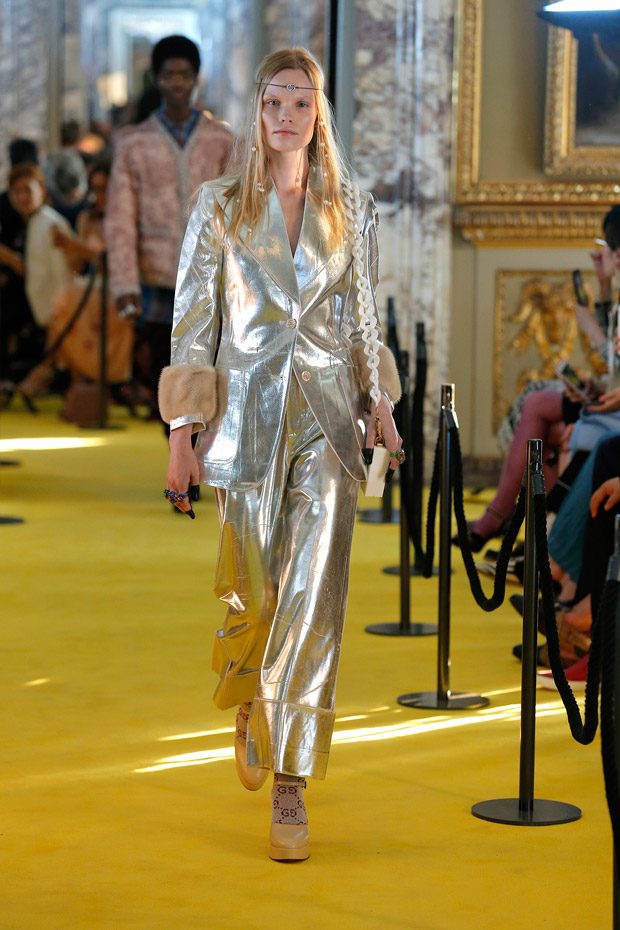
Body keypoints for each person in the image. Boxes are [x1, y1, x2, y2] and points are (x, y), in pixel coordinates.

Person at [158, 47, 404, 862]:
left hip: (328, 422)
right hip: (243, 420)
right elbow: (194, 322)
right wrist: (181, 434)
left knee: (313, 599)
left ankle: (292, 780)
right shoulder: (220, 205)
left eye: (301, 103)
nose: (287, 117)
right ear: (258, 111)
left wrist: (380, 405)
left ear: (318, 113)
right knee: (254, 592)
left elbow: (363, 318)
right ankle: (247, 692)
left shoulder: (352, 207)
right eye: (274, 102)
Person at [105, 34, 235, 421]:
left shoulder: (221, 140)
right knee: (166, 376)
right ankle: (176, 450)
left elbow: (238, 210)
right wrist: (125, 283)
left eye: (185, 74)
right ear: (156, 79)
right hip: (157, 275)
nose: (177, 83)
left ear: (196, 78)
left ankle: (200, 448)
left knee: (211, 371)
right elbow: (120, 217)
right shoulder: (134, 143)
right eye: (168, 75)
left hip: (210, 273)